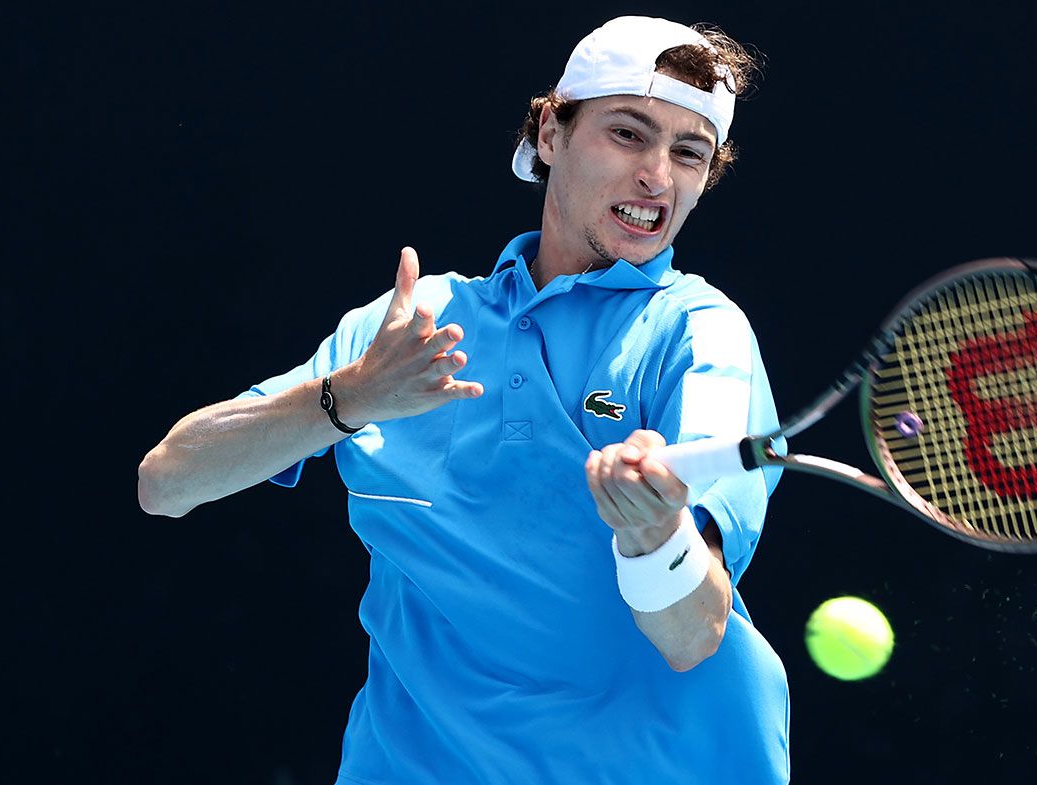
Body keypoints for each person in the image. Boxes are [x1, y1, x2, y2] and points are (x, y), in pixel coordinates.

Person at [138, 15, 789, 784]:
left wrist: (655, 535)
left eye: (690, 154)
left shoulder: (699, 335)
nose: (658, 176)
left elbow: (692, 631)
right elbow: (166, 483)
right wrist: (347, 396)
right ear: (550, 132)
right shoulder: (412, 324)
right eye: (628, 134)